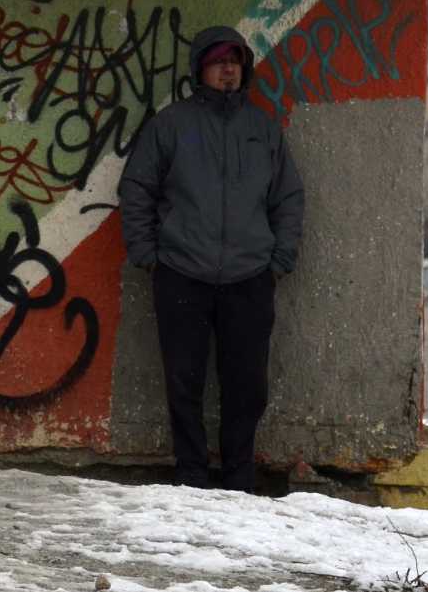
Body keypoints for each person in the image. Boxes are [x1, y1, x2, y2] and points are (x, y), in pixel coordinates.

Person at [119, 26, 305, 493]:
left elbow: (289, 197)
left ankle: (238, 477)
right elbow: (137, 187)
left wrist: (278, 259)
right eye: (218, 62)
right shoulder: (171, 125)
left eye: (235, 62)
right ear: (201, 68)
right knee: (183, 381)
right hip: (181, 273)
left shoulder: (263, 130)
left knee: (247, 386)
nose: (228, 70)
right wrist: (147, 254)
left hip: (250, 276)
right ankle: (191, 473)